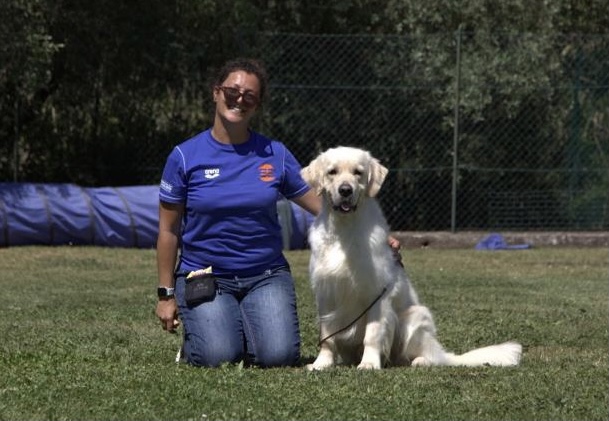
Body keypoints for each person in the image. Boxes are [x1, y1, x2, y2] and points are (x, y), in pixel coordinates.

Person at [155, 57, 400, 368]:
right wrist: (166, 295)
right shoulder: (184, 156)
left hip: (265, 275)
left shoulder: (274, 153)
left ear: (257, 105)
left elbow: (329, 206)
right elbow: (168, 231)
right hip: (205, 274)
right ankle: (201, 339)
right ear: (216, 92)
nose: (239, 100)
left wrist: (378, 237)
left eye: (250, 97)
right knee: (216, 356)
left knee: (279, 356)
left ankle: (234, 329)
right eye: (232, 92)